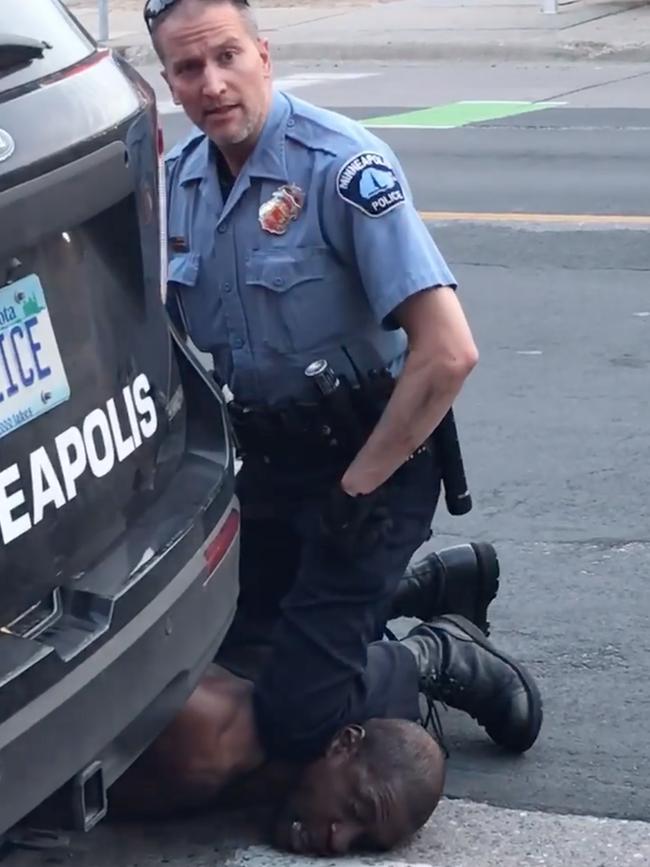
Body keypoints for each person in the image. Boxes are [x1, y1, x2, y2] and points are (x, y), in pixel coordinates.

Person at [133, 0, 543, 853]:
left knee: (291, 714)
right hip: (268, 466)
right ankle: (407, 591)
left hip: (372, 469)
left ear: (263, 53)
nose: (210, 85)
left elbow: (448, 353)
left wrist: (361, 483)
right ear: (167, 79)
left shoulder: (343, 166)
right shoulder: (182, 185)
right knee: (237, 646)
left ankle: (436, 650)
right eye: (186, 69)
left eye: (226, 57)